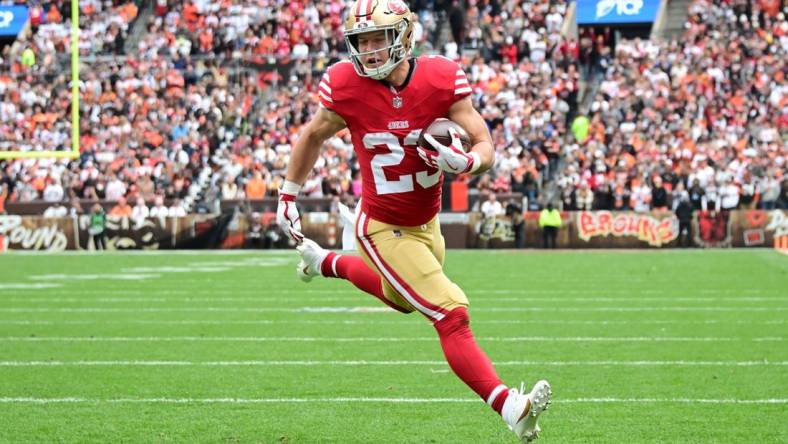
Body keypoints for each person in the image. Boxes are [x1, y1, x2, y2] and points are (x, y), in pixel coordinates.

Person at [276, 2, 551, 442]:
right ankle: (509, 407)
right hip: (381, 225)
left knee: (402, 299)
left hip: (427, 222)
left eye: (376, 38)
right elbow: (313, 134)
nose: (367, 50)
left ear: (403, 36)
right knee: (450, 313)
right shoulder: (345, 84)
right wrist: (288, 192)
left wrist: (467, 162)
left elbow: (484, 142)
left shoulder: (441, 77)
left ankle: (323, 261)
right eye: (360, 41)